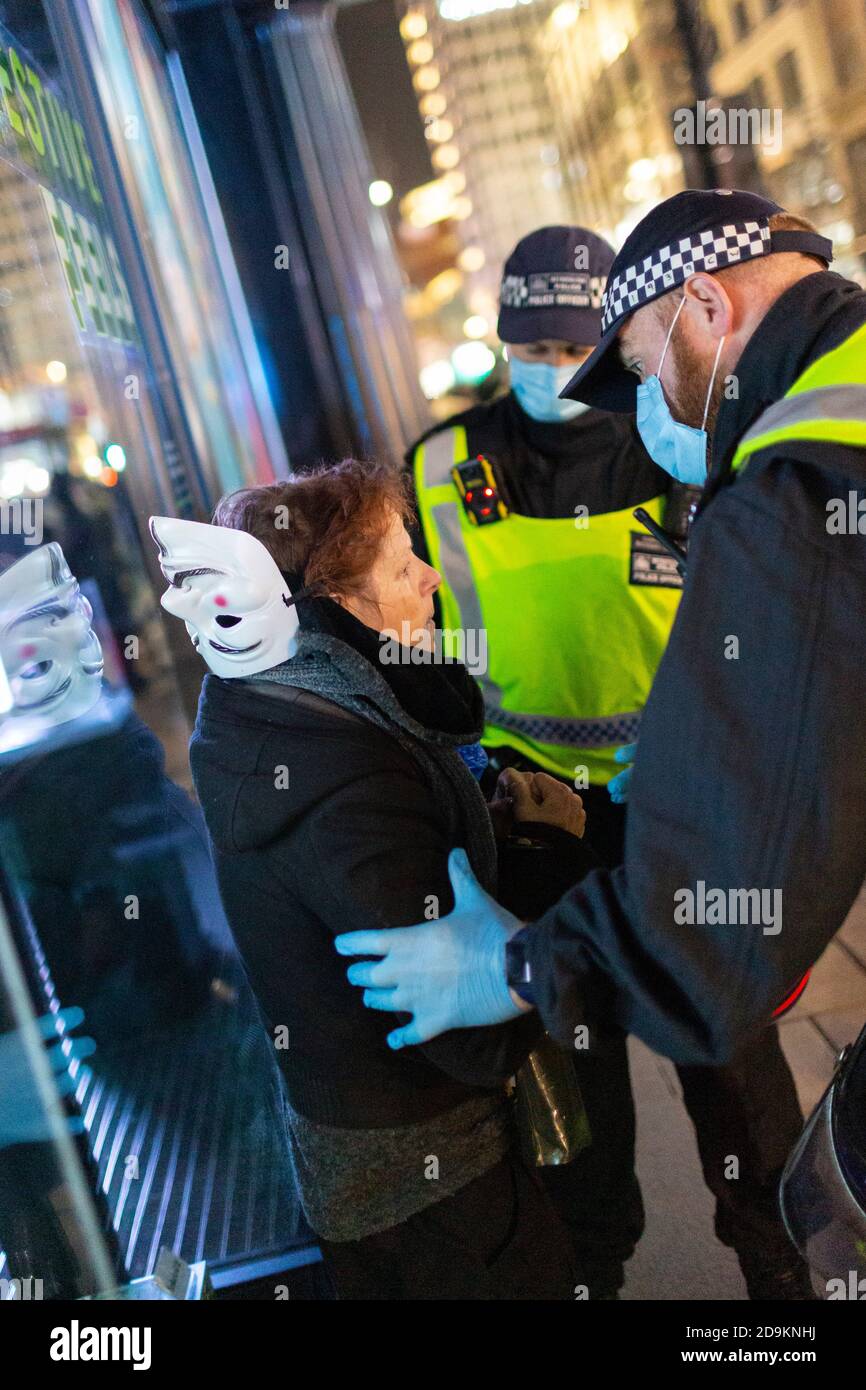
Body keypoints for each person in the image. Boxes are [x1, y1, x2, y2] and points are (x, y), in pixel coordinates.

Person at [336, 188, 866, 1296]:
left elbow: (732, 897)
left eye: (627, 357)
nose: (639, 404)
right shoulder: (826, 419)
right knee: (587, 1149)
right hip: (540, 813)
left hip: (665, 830)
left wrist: (513, 964)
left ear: (704, 307)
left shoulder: (786, 482)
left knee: (758, 1140)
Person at [152, 460, 597, 1300]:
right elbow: (474, 1031)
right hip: (437, 1193)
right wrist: (550, 852)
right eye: (401, 567)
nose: (431, 577)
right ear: (331, 618)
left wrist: (485, 823)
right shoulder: (346, 778)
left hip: (384, 1182)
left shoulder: (279, 716)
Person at [406, 225, 688, 866]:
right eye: (534, 347)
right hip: (519, 789)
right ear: (505, 342)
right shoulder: (437, 465)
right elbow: (405, 631)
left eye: (573, 346)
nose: (556, 364)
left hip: (674, 773)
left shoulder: (677, 449)